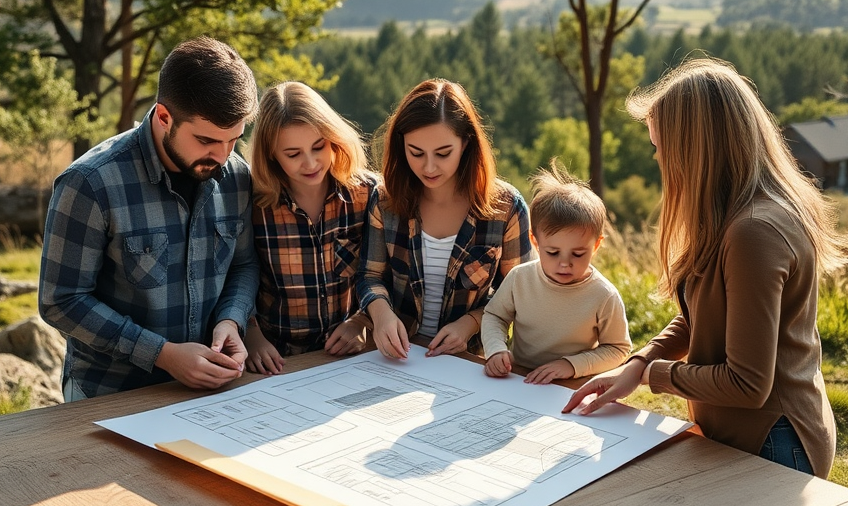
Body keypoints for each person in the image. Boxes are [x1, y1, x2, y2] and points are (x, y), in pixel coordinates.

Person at [562, 56, 848, 506]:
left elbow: (748, 384)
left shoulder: (755, 231)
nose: (657, 158)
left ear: (696, 145)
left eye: (660, 144)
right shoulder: (727, 217)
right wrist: (641, 360)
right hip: (748, 438)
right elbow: (697, 317)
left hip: (774, 444)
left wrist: (655, 378)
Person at [39, 36, 261, 400]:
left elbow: (244, 264)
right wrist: (163, 355)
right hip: (109, 392)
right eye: (206, 140)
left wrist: (231, 320)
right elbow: (60, 301)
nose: (222, 156)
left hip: (210, 393)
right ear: (163, 116)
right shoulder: (90, 184)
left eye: (233, 140)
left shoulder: (236, 177)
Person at [358, 78, 535, 360]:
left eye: (443, 153)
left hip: (471, 361)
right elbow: (369, 275)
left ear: (466, 142)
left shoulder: (506, 207)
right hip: (395, 359)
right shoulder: (385, 200)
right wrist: (381, 315)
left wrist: (470, 324)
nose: (429, 167)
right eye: (416, 153)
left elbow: (520, 292)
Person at [245, 81, 378, 375]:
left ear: (335, 140)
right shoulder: (254, 205)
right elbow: (236, 274)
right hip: (275, 362)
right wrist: (251, 336)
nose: (310, 162)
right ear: (271, 155)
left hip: (346, 359)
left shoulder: (366, 196)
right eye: (293, 154)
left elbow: (385, 273)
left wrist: (361, 321)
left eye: (319, 147)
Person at [482, 161, 631, 383]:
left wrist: (570, 365)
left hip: (571, 385)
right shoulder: (519, 278)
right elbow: (495, 316)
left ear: (596, 245)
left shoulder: (603, 295)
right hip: (518, 379)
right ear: (535, 241)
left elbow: (618, 349)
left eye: (578, 254)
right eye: (552, 252)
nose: (565, 264)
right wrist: (495, 349)